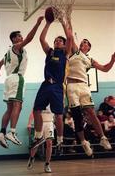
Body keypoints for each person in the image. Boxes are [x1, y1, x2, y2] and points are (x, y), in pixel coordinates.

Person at [66, 18, 115, 155]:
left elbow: (105, 69)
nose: (83, 43)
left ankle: (103, 138)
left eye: (86, 43)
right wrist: (68, 20)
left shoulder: (90, 59)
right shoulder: (75, 51)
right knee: (77, 116)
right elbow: (69, 34)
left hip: (84, 86)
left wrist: (112, 60)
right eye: (82, 41)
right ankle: (84, 142)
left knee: (92, 113)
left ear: (88, 47)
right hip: (71, 86)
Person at [0, 16, 44, 148]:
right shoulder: (17, 47)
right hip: (17, 78)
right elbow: (30, 38)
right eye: (19, 36)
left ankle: (2, 131)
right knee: (18, 106)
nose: (21, 38)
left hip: (8, 79)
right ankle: (12, 132)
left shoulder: (7, 53)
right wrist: (38, 24)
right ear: (14, 39)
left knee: (10, 108)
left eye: (21, 37)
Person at [31, 15, 72, 149]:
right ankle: (37, 136)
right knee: (37, 109)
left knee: (59, 115)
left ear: (64, 44)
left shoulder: (65, 53)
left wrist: (62, 22)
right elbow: (42, 39)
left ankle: (60, 140)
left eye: (60, 40)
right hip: (46, 84)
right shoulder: (50, 52)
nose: (57, 42)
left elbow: (70, 38)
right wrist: (47, 23)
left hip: (57, 86)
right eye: (56, 40)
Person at [27, 108, 54, 173]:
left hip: (49, 123)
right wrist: (29, 123)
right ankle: (31, 158)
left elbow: (57, 112)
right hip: (39, 122)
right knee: (37, 142)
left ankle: (47, 164)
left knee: (49, 143)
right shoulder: (39, 98)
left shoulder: (53, 99)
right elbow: (33, 111)